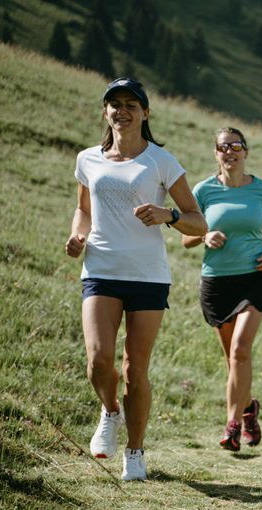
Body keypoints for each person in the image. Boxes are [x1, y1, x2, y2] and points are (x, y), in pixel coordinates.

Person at [64, 77, 207, 481]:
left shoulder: (161, 160)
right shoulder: (87, 159)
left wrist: (169, 216)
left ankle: (136, 452)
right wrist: (78, 234)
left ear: (145, 113)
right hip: (101, 269)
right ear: (104, 111)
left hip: (147, 276)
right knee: (98, 361)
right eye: (114, 103)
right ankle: (110, 411)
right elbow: (84, 210)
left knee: (134, 368)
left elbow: (199, 222)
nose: (122, 110)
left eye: (131, 104)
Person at [182, 127, 262, 452]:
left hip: (254, 278)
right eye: (223, 147)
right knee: (233, 360)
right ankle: (248, 409)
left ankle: (232, 425)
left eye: (236, 146)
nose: (230, 152)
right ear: (216, 154)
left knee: (241, 350)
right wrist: (203, 236)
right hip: (217, 282)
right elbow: (186, 237)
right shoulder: (203, 191)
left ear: (246, 152)